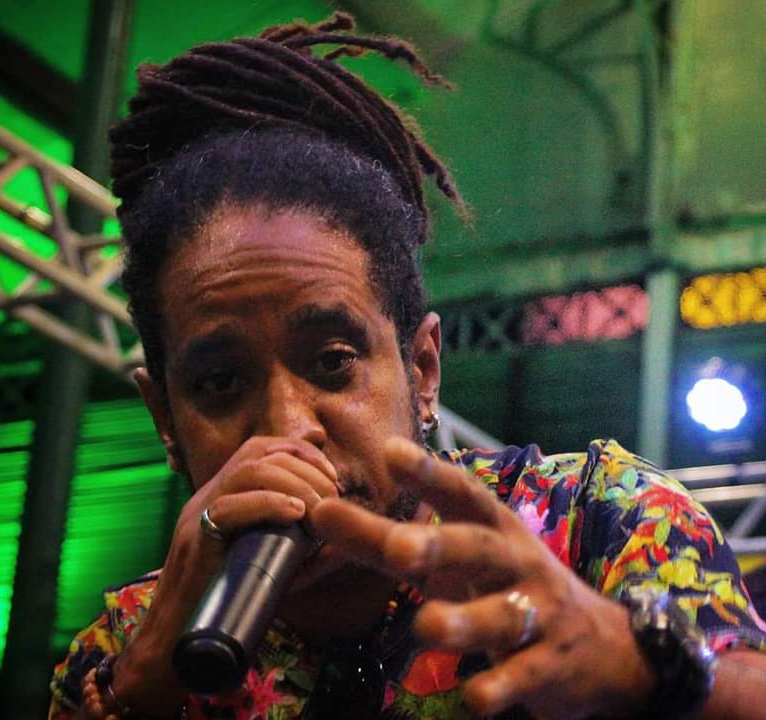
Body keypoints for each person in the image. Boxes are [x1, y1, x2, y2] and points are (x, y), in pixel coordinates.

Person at [49, 13, 766, 720]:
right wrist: (145, 678)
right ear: (165, 419)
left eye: (332, 362)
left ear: (421, 370)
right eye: (217, 384)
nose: (287, 430)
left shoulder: (597, 518)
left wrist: (645, 671)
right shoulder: (123, 646)